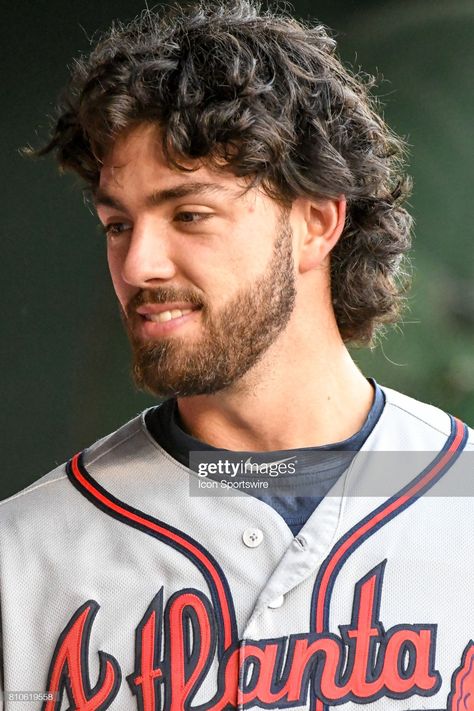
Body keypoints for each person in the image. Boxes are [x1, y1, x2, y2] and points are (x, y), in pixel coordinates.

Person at [1, 2, 473, 709]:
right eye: (118, 223)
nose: (139, 264)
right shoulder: (24, 556)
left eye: (188, 213)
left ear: (317, 222)